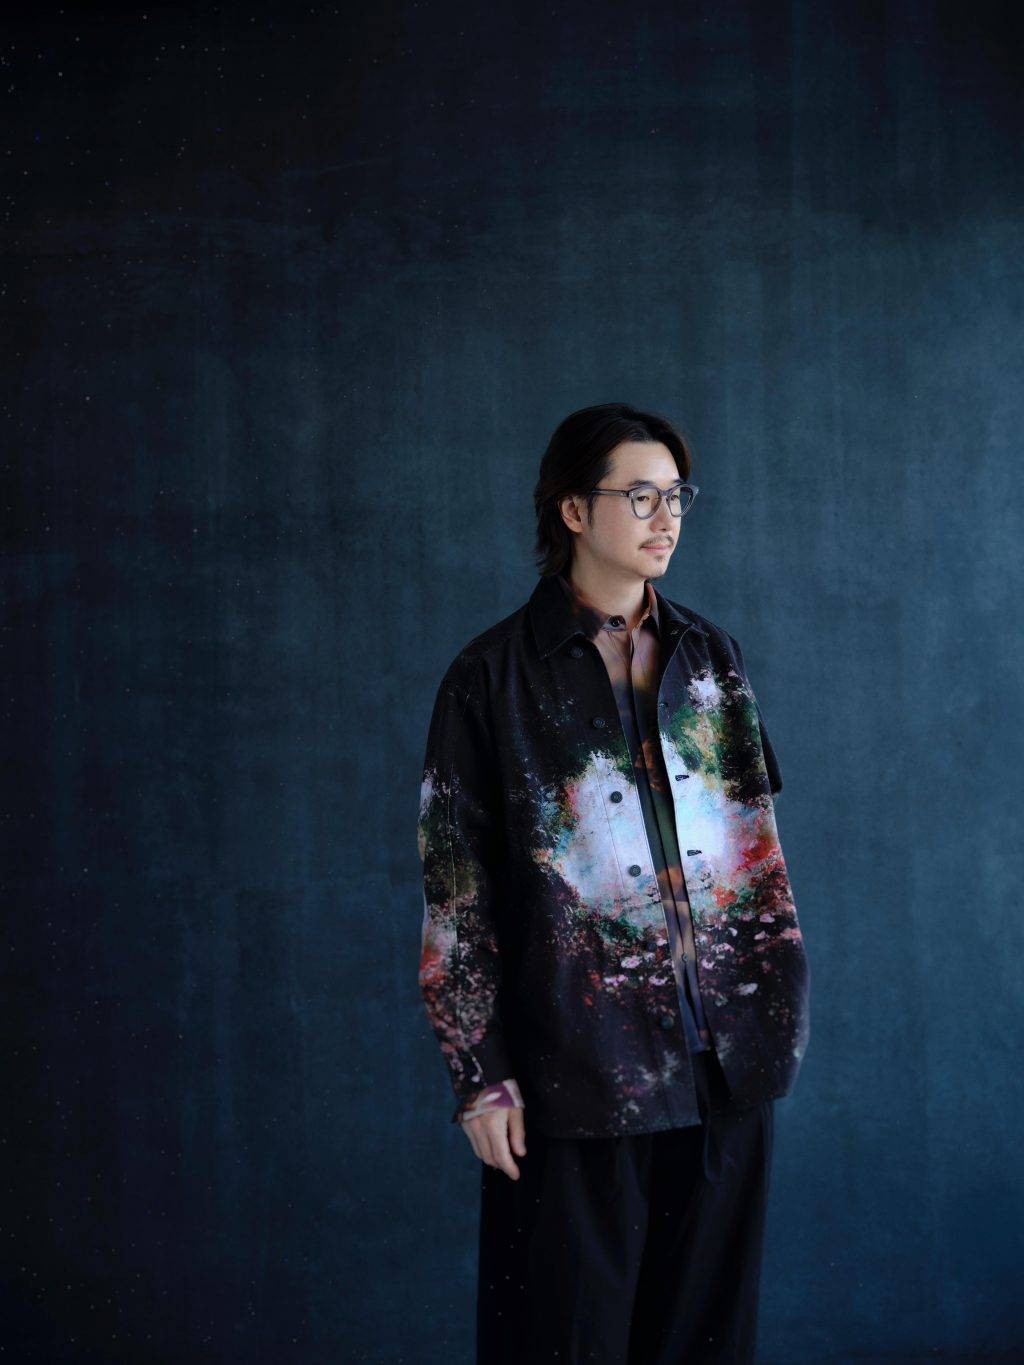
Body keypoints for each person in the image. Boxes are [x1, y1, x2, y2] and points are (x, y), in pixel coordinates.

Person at [416, 402, 811, 1363]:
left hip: (727, 1068)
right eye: (640, 495)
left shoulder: (711, 658)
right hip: (577, 1076)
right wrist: (481, 1076)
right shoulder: (489, 677)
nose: (666, 516)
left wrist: (777, 1006)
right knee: (565, 1341)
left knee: (706, 1342)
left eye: (676, 495)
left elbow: (755, 851)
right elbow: (455, 896)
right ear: (572, 510)